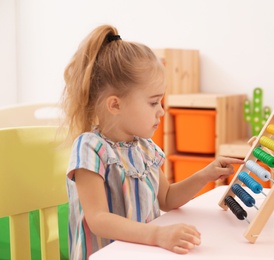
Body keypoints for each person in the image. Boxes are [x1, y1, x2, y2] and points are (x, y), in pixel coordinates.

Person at [60, 24, 244, 259]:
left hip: (142, 253)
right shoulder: (90, 148)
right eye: (153, 102)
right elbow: (99, 220)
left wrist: (205, 175)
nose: (162, 111)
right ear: (115, 104)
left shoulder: (145, 149)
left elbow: (167, 199)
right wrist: (158, 235)